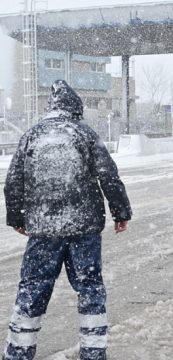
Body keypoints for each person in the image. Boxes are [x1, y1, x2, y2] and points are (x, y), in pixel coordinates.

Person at [3, 80, 132, 360]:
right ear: (75, 109)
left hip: (43, 230)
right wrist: (120, 213)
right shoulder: (84, 134)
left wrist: (16, 217)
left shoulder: (31, 136)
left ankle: (18, 352)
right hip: (84, 229)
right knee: (90, 288)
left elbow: (13, 181)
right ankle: (93, 351)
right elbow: (108, 175)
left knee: (32, 289)